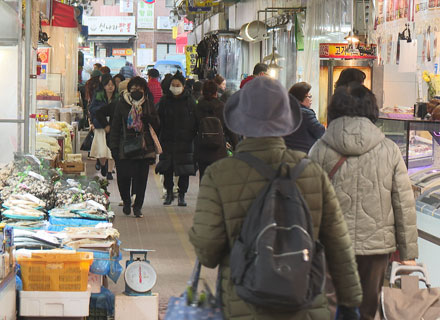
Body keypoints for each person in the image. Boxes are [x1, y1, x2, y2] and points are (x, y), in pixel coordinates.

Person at [189, 76, 362, 319]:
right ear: (286, 121)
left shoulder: (219, 175)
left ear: (240, 123)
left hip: (243, 305)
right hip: (305, 305)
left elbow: (207, 252)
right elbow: (338, 244)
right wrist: (350, 301)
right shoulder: (311, 171)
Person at [309, 82, 418, 320]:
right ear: (371, 110)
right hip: (376, 247)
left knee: (328, 308)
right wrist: (408, 251)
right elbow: (403, 201)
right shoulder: (389, 149)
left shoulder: (319, 149)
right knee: (367, 311)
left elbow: (308, 200)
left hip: (330, 245)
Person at [110, 76, 159, 218]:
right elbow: (115, 126)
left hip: (143, 148)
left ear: (144, 90)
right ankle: (126, 200)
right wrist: (113, 147)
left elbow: (157, 124)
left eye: (140, 88)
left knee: (141, 179)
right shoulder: (121, 104)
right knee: (123, 178)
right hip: (125, 147)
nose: (137, 90)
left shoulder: (148, 103)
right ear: (129, 89)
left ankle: (138, 206)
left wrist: (150, 119)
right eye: (134, 88)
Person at [156, 72, 197, 207]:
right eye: (173, 85)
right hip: (167, 139)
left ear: (183, 86)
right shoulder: (164, 101)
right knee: (167, 168)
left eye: (178, 85)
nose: (175, 87)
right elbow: (158, 119)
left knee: (184, 170)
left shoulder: (190, 101)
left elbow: (195, 120)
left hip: (185, 140)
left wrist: (191, 134)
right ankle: (169, 194)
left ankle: (182, 195)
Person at [194, 80, 238, 180]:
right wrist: (236, 145)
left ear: (203, 92)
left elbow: (192, 128)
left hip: (202, 149)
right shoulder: (222, 107)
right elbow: (230, 129)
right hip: (219, 150)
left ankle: (204, 195)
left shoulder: (198, 107)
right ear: (215, 92)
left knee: (204, 178)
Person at [89, 74, 118, 179]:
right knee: (102, 150)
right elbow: (92, 109)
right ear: (104, 86)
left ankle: (110, 172)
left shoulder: (117, 97)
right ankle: (102, 165)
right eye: (108, 85)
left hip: (114, 126)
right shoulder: (98, 95)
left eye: (112, 85)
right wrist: (104, 109)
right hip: (100, 125)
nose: (110, 87)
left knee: (112, 150)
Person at [284, 82, 325, 153]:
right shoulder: (306, 114)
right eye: (309, 97)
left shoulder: (284, 112)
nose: (311, 99)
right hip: (304, 154)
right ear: (300, 98)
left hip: (287, 153)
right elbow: (321, 132)